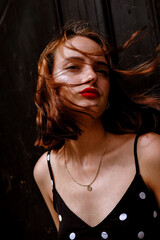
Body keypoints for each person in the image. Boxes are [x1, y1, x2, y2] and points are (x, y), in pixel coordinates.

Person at [33, 22, 160, 240]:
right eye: (74, 67)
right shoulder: (45, 172)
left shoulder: (149, 151)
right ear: (49, 82)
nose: (92, 76)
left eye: (101, 70)